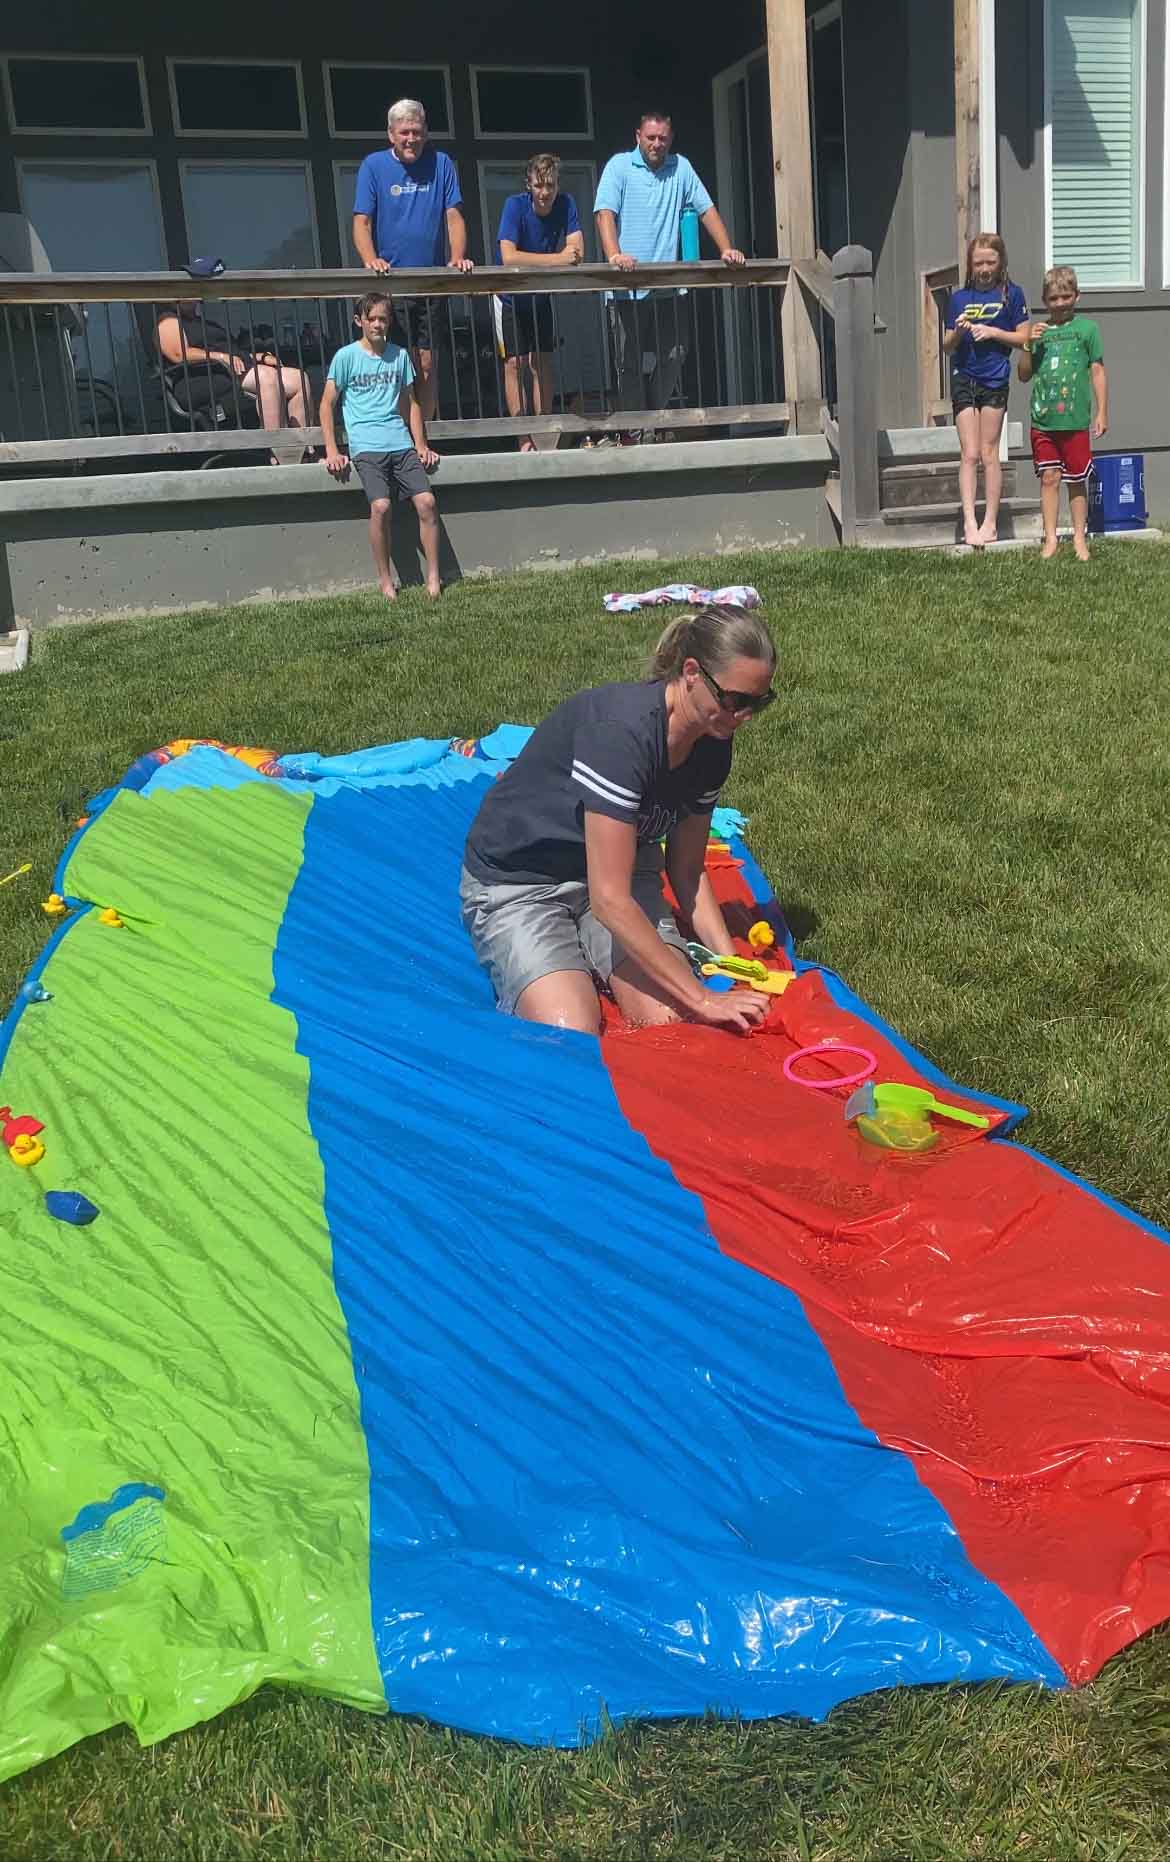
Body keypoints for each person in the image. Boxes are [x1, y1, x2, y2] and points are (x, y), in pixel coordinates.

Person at [460, 605, 777, 1035]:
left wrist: (731, 967)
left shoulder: (713, 740)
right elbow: (610, 902)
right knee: (570, 1030)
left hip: (621, 875)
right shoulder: (621, 734)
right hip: (520, 882)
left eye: (759, 703)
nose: (744, 717)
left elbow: (685, 869)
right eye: (736, 700)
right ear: (691, 673)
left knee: (669, 1021)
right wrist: (704, 996)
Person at [594, 111, 744, 444]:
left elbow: (706, 209)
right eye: (651, 137)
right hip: (625, 289)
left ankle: (647, 423)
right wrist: (614, 256)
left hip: (669, 288)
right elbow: (605, 213)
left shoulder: (682, 167)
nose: (657, 144)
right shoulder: (619, 166)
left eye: (663, 138)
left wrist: (727, 249)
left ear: (670, 139)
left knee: (675, 355)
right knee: (627, 364)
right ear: (638, 136)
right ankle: (636, 433)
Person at [352, 98, 474, 426]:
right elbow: (361, 222)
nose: (411, 139)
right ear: (391, 134)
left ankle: (425, 434)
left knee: (428, 363)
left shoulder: (442, 163)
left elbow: (454, 216)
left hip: (431, 283)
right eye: (404, 132)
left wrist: (457, 257)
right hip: (392, 285)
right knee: (398, 365)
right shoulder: (374, 165)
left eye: (417, 132)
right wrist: (370, 259)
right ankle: (401, 435)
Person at [320, 291, 441, 601]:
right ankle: (386, 581)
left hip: (400, 442)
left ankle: (434, 577)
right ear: (359, 321)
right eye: (371, 318)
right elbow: (326, 404)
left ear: (389, 322)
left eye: (382, 319)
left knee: (426, 502)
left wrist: (421, 444)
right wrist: (332, 451)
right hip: (366, 446)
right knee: (381, 506)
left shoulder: (399, 356)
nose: (377, 324)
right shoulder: (345, 357)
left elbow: (412, 402)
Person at [942, 233, 1032, 548]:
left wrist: (993, 331)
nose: (984, 268)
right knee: (969, 453)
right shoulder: (958, 298)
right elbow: (947, 346)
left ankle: (990, 522)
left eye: (990, 262)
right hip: (964, 376)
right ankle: (969, 522)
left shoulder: (1012, 295)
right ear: (970, 264)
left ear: (1000, 263)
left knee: (988, 452)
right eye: (978, 262)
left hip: (995, 377)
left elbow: (1025, 338)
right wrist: (960, 331)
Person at [494, 153, 585, 451]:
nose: (545, 192)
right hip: (509, 296)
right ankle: (523, 435)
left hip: (540, 295)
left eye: (551, 185)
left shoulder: (566, 203)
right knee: (514, 363)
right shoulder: (514, 206)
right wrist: (556, 259)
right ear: (528, 185)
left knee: (541, 361)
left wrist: (556, 260)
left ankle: (544, 430)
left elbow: (578, 251)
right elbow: (509, 256)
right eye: (539, 185)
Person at [1018, 265, 1108, 563]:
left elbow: (1097, 371)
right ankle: (1051, 539)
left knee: (1076, 479)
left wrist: (1102, 412)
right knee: (1049, 478)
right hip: (1043, 420)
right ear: (1045, 300)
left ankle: (1080, 538)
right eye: (1053, 298)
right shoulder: (1038, 332)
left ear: (1076, 296)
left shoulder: (1087, 330)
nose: (1060, 304)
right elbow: (1022, 375)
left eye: (1065, 297)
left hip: (1075, 420)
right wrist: (1028, 344)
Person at [155, 302, 314, 460]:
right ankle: (277, 453)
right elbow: (178, 353)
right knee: (265, 376)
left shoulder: (203, 322)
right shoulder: (168, 319)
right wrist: (221, 357)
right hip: (199, 377)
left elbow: (236, 355)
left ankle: (303, 450)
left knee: (298, 378)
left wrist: (261, 357)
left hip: (227, 369)